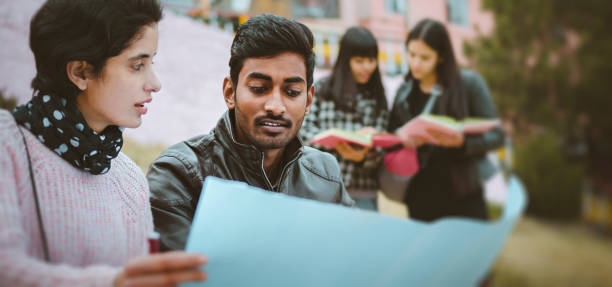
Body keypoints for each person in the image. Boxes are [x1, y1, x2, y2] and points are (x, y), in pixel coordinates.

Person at [0, 1, 207, 286]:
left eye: (152, 63)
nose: (155, 83)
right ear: (81, 73)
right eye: (137, 65)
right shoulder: (7, 143)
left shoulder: (131, 181)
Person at [147, 14, 354, 252]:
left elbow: (351, 255)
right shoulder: (179, 175)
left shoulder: (325, 174)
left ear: (308, 100)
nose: (276, 106)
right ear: (229, 92)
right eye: (259, 89)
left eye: (292, 91)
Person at [388, 19, 504, 221]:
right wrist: (400, 139)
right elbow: (390, 137)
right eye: (412, 54)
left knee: (469, 251)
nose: (415, 63)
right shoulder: (404, 93)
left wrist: (463, 143)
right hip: (420, 194)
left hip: (464, 191)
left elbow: (497, 136)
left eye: (425, 57)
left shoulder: (469, 85)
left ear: (441, 57)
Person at [299, 26, 388, 211]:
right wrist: (336, 141)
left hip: (363, 191)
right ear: (345, 60)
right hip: (321, 187)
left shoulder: (377, 95)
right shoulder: (323, 89)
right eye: (359, 61)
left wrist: (364, 155)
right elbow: (303, 131)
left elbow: (383, 146)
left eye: (371, 60)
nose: (366, 67)